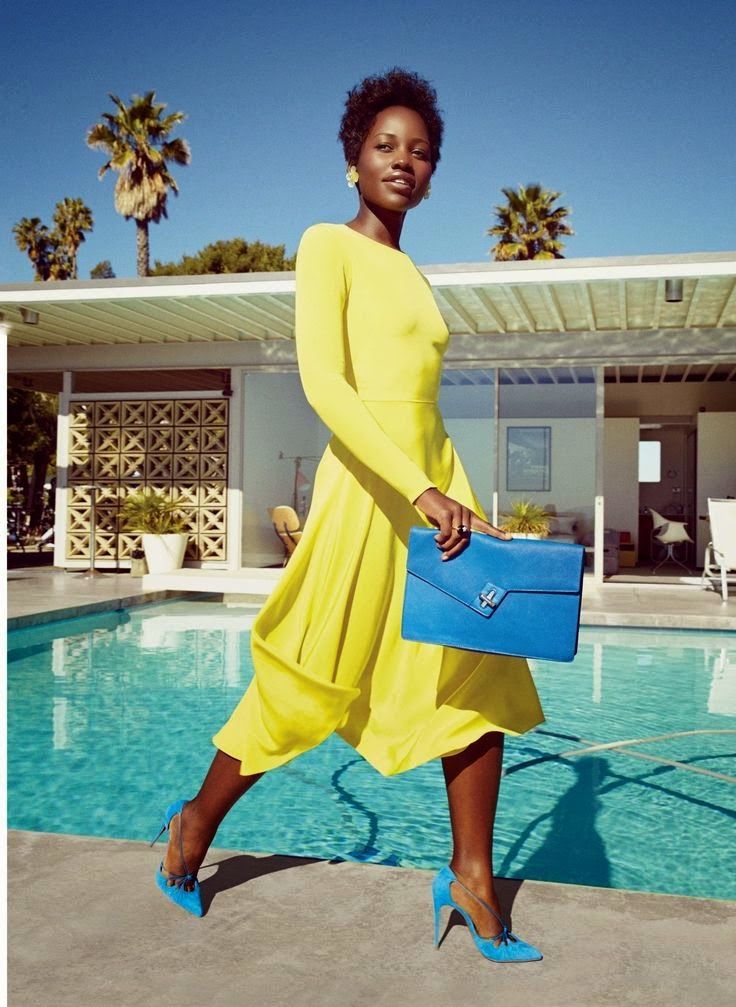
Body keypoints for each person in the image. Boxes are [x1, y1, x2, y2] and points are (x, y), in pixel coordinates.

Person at [151, 67, 545, 964]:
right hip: (370, 495)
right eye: (385, 146)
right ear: (352, 160)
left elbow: (422, 404)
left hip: (437, 487)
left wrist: (459, 495)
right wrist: (419, 490)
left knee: (474, 668)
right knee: (308, 675)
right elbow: (328, 386)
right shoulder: (327, 245)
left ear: (433, 172)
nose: (404, 161)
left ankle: (473, 880)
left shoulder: (411, 271)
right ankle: (193, 824)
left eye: (421, 151)